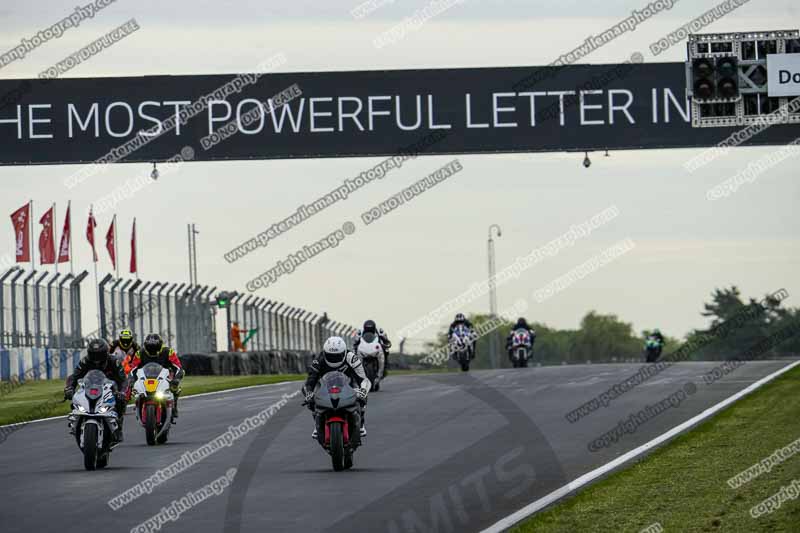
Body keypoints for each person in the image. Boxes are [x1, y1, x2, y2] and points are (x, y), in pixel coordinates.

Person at [303, 336, 371, 439]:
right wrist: (309, 393)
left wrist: (363, 390)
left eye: (337, 356)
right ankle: (317, 424)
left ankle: (361, 423)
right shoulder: (319, 360)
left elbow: (364, 379)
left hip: (348, 385)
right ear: (325, 353)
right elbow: (310, 381)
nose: (334, 359)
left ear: (344, 352)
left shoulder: (352, 358)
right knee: (310, 398)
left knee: (362, 397)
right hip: (325, 386)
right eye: (330, 356)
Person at [64, 338, 128, 442]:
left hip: (110, 389)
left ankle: (118, 427)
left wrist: (122, 392)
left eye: (99, 355)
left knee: (120, 401)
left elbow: (123, 379)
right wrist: (69, 388)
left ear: (105, 353)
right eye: (94, 354)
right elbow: (74, 377)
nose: (96, 358)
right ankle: (76, 423)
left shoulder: (114, 361)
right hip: (89, 388)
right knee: (75, 400)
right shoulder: (85, 361)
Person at [126, 334, 185, 422]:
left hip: (164, 377)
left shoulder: (168, 352)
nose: (152, 351)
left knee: (174, 387)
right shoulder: (140, 353)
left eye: (155, 348)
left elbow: (178, 367)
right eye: (150, 349)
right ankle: (137, 404)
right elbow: (133, 369)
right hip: (145, 377)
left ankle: (174, 406)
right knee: (134, 390)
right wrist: (131, 380)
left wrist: (176, 379)